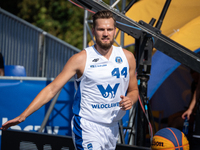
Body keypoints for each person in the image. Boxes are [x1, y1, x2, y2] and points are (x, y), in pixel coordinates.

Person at [0, 10, 139, 150]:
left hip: (112, 127)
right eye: (101, 29)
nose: (105, 33)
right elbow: (51, 88)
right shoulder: (81, 59)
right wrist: (23, 115)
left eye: (109, 29)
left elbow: (133, 90)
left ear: (115, 31)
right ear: (93, 30)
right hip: (87, 126)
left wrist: (130, 100)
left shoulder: (127, 57)